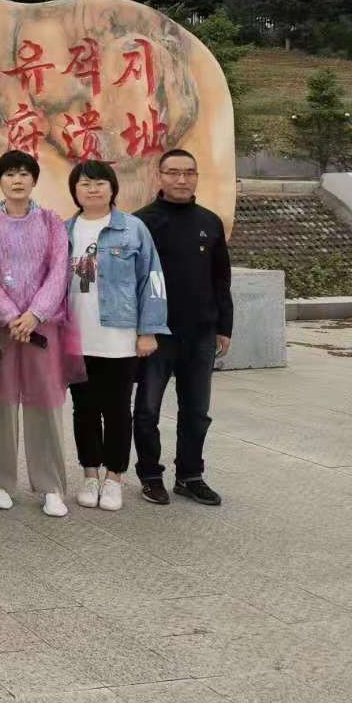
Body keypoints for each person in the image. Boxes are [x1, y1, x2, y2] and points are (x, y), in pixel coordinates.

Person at [0, 151, 80, 519]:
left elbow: (59, 271)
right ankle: (1, 483)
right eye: (10, 174)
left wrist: (35, 314)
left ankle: (50, 486)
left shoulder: (51, 221)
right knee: (0, 402)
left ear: (34, 180)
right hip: (2, 328)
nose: (17, 181)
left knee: (45, 402)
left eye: (23, 174)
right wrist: (11, 316)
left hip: (42, 326)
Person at [64, 160, 168, 513]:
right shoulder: (64, 230)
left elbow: (152, 280)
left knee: (117, 409)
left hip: (119, 337)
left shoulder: (132, 229)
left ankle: (114, 477)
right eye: (84, 183)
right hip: (76, 336)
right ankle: (90, 474)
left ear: (112, 188)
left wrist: (148, 330)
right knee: (83, 409)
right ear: (75, 191)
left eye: (99, 183)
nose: (92, 189)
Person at [133, 148, 230, 507]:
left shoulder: (210, 221)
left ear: (196, 178)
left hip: (200, 332)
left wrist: (224, 326)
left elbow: (221, 279)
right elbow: (132, 282)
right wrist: (138, 329)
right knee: (147, 411)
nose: (181, 179)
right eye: (173, 172)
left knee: (196, 412)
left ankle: (190, 476)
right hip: (156, 334)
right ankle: (150, 476)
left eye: (189, 173)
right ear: (159, 176)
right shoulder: (140, 223)